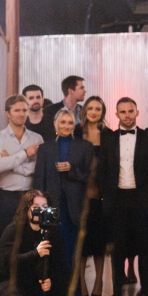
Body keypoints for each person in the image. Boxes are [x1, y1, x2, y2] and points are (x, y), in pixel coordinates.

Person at [101, 96, 148, 296]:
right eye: (123, 112)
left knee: (146, 249)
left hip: (142, 201)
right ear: (117, 114)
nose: (127, 115)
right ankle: (117, 294)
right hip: (117, 200)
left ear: (137, 113)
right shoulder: (108, 139)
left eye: (130, 111)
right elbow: (103, 172)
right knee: (117, 251)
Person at [0, 189, 66, 296]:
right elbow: (8, 262)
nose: (40, 211)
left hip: (31, 279)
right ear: (27, 209)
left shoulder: (51, 231)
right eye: (36, 206)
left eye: (44, 206)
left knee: (64, 278)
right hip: (5, 281)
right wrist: (35, 253)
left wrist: (48, 278)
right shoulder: (14, 230)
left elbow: (57, 261)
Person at [31, 108, 94, 282]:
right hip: (52, 205)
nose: (66, 126)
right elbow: (39, 179)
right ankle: (55, 289)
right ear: (55, 124)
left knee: (73, 249)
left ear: (74, 125)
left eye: (70, 122)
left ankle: (74, 290)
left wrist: (72, 170)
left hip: (75, 206)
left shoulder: (84, 146)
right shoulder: (45, 148)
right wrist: (39, 206)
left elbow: (90, 176)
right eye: (62, 122)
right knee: (53, 247)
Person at [0, 94, 43, 238]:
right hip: (6, 197)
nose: (22, 114)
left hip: (30, 196)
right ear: (8, 114)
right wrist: (26, 153)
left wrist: (12, 163)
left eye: (25, 110)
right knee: (5, 240)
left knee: (30, 239)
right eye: (17, 110)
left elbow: (39, 168)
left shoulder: (37, 138)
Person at [74, 95, 110, 296]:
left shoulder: (108, 135)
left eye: (98, 109)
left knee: (98, 242)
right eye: (91, 108)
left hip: (100, 194)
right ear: (85, 111)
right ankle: (81, 284)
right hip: (79, 193)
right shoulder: (76, 132)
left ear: (102, 112)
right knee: (82, 244)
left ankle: (98, 282)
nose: (94, 112)